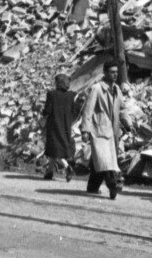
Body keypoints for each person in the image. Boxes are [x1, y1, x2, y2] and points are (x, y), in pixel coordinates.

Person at [81, 59, 131, 199]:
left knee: (99, 160)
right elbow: (88, 110)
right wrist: (85, 130)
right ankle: (112, 184)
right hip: (99, 130)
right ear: (105, 72)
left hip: (113, 131)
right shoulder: (97, 88)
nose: (115, 75)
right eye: (112, 72)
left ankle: (92, 187)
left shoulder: (117, 89)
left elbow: (122, 109)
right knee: (105, 160)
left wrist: (128, 123)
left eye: (116, 72)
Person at [42, 72, 76, 182]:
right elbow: (73, 111)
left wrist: (43, 114)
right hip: (66, 125)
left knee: (55, 148)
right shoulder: (71, 95)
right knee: (56, 149)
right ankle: (49, 172)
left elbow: (48, 110)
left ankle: (67, 167)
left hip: (54, 125)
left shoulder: (51, 94)